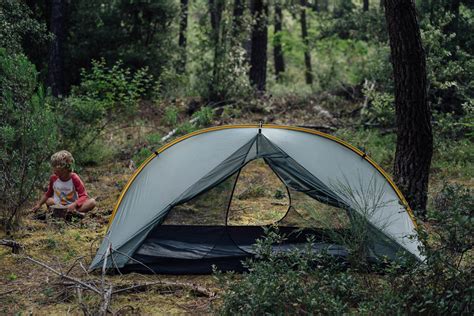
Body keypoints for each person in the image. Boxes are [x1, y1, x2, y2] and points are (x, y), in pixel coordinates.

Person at [32, 150, 96, 214]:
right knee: (49, 200)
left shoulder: (74, 178)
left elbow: (84, 196)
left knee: (92, 202)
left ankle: (73, 212)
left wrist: (75, 204)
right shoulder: (53, 178)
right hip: (59, 205)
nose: (54, 171)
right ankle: (65, 213)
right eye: (53, 168)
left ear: (66, 169)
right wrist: (39, 204)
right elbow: (48, 193)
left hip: (73, 205)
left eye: (57, 169)